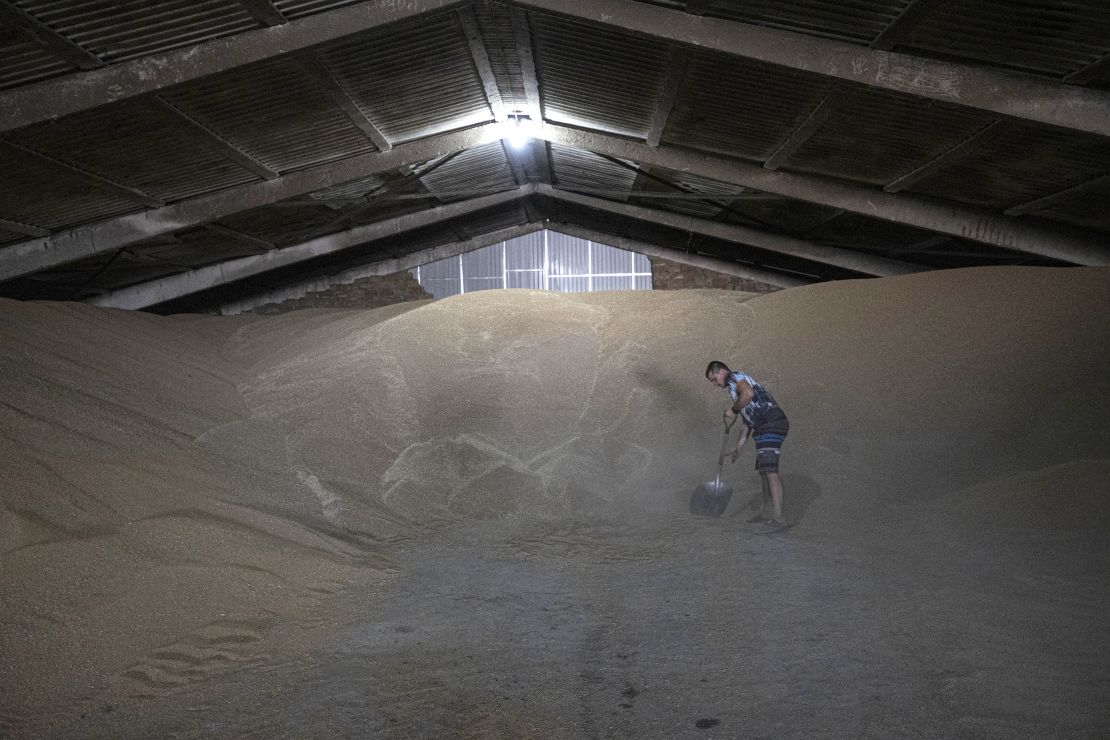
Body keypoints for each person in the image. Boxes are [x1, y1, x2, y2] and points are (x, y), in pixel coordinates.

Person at [705, 360, 789, 526]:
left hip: (770, 422)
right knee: (764, 472)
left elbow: (748, 394)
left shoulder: (734, 377)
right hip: (762, 426)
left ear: (722, 371)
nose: (715, 384)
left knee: (770, 471)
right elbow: (747, 422)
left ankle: (779, 519)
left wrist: (733, 409)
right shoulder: (734, 390)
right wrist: (739, 446)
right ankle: (767, 513)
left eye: (714, 378)